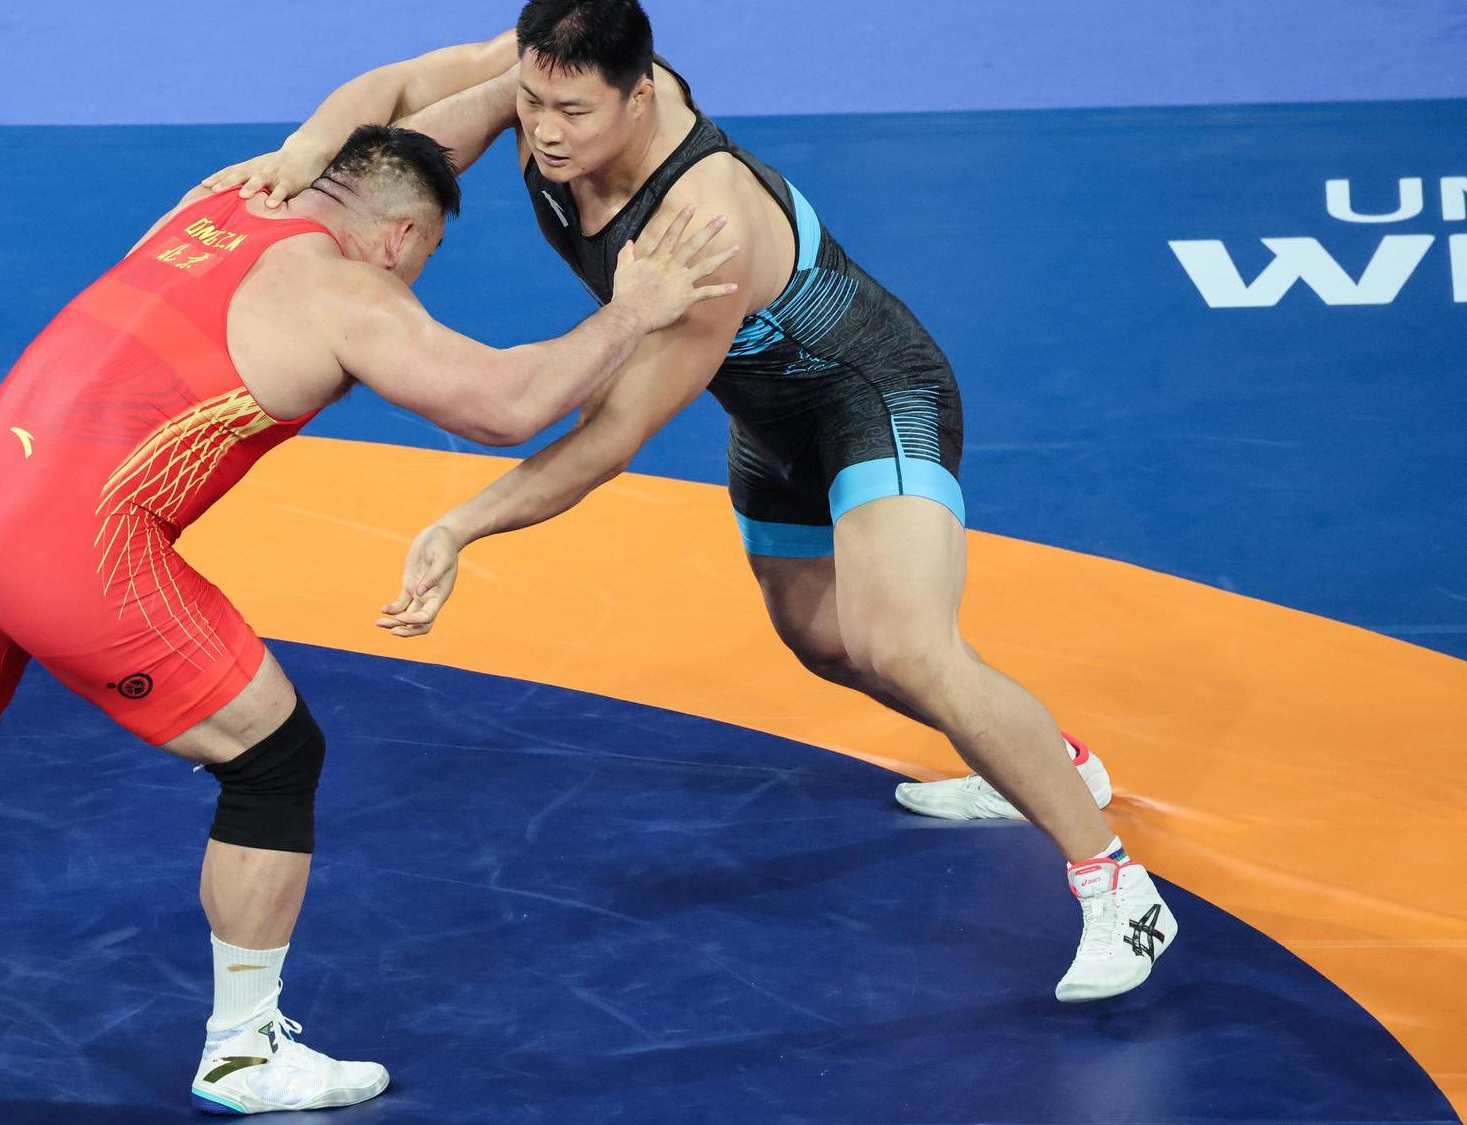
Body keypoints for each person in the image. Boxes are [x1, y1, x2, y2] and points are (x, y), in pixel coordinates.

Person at [0, 124, 737, 1117]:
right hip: (75, 545)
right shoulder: (346, 291)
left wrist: (520, 85)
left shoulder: (228, 198)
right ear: (397, 237)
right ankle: (242, 1053)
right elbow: (504, 405)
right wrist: (635, 309)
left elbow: (419, 103)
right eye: (424, 256)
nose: (413, 279)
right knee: (273, 759)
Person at [203, 0, 1174, 1003]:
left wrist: (463, 523)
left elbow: (609, 438)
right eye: (531, 101)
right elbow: (406, 88)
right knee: (824, 644)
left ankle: (1115, 886)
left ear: (640, 93)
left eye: (573, 112)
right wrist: (305, 151)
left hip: (871, 398)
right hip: (766, 421)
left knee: (904, 644)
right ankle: (1045, 759)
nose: (544, 131)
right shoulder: (545, 82)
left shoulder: (700, 224)